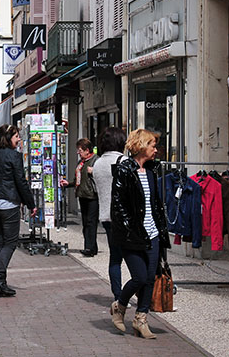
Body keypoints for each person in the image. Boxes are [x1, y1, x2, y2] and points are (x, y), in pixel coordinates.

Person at [109, 129, 170, 339]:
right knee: (140, 277)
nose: (156, 149)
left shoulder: (152, 170)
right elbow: (118, 205)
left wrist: (160, 229)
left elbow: (155, 204)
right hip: (132, 234)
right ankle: (119, 306)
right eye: (152, 145)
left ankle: (141, 319)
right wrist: (128, 229)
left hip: (152, 233)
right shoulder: (124, 169)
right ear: (142, 146)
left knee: (150, 279)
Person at [0, 124, 37, 297]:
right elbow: (20, 181)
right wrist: (31, 204)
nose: (19, 139)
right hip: (8, 204)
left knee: (0, 241)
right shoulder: (14, 156)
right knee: (11, 242)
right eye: (16, 137)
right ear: (8, 138)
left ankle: (0, 280)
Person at [92, 126, 127, 304]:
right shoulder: (123, 161)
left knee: (115, 257)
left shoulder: (97, 164)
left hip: (106, 215)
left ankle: (118, 295)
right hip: (124, 216)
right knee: (133, 257)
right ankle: (136, 293)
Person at [75, 138, 99, 257]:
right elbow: (78, 180)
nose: (78, 152)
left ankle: (89, 248)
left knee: (91, 222)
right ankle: (91, 246)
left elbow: (103, 175)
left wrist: (94, 171)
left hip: (92, 196)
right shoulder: (81, 162)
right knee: (85, 223)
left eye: (80, 150)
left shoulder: (96, 160)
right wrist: (68, 184)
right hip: (82, 194)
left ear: (87, 150)